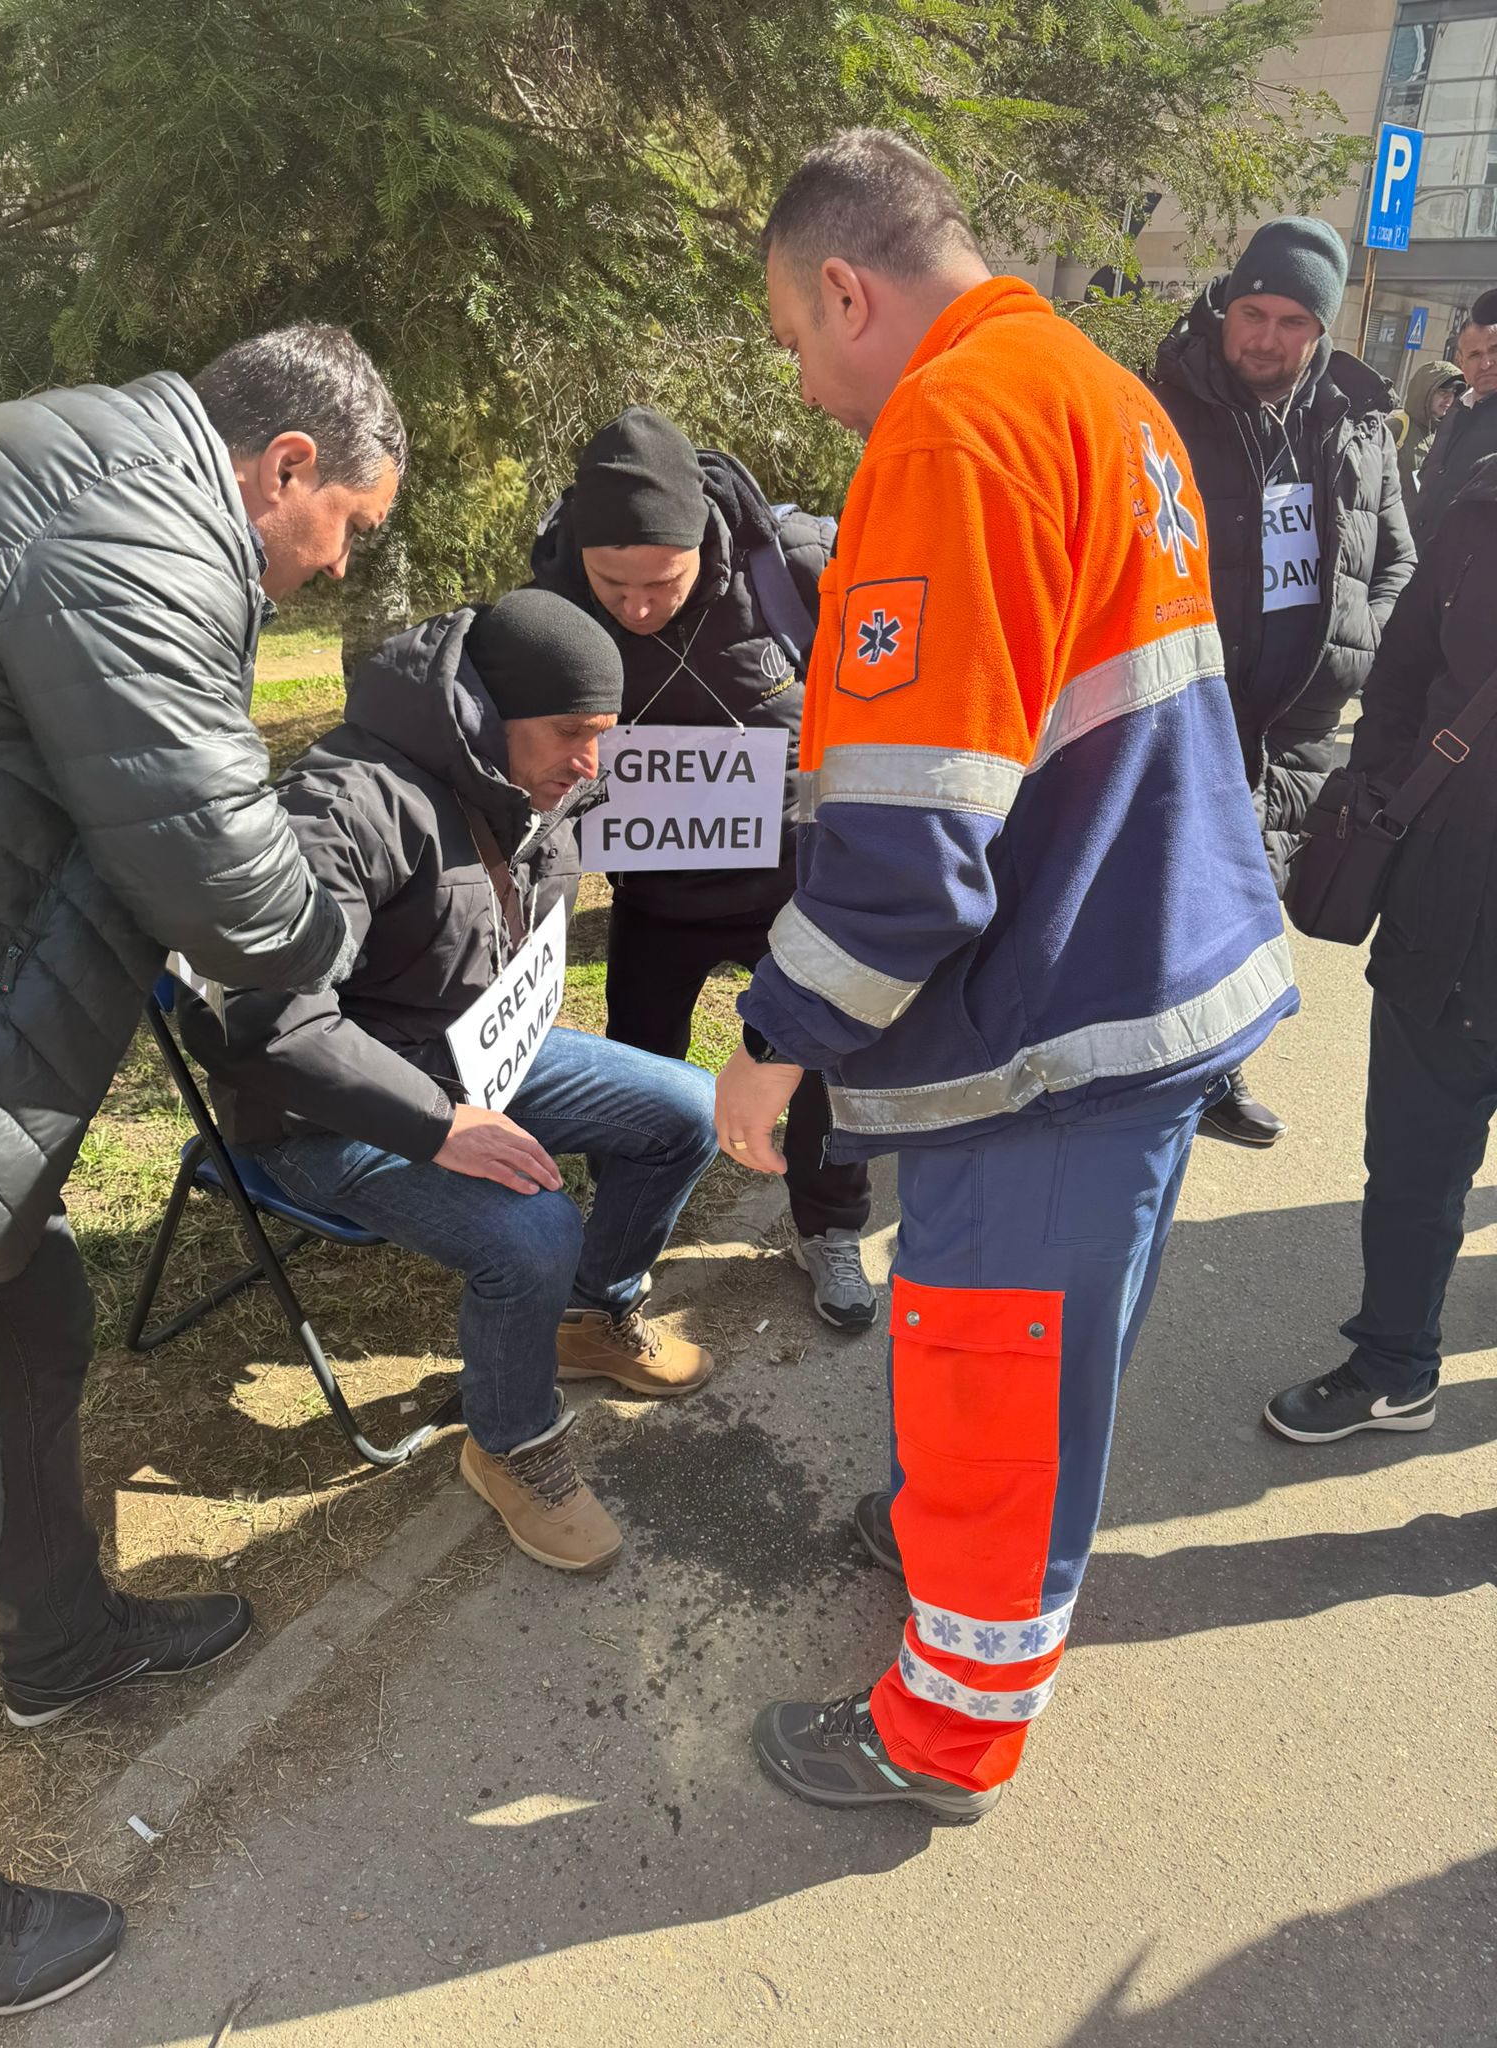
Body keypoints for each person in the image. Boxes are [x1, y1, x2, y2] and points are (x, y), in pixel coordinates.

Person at [716, 131, 1295, 1822]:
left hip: (1052, 1027)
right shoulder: (1095, 391)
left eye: (790, 329)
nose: (797, 369)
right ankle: (948, 1586)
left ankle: (945, 1732)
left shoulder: (950, 429)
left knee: (997, 1384)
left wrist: (772, 1039)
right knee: (1040, 1368)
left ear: (846, 287)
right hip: (1149, 975)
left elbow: (909, 850)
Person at [0, 323, 403, 2013]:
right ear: (284, 467)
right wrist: (331, 896)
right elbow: (233, 884)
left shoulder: (110, 478)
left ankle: (60, 1642)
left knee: (37, 1313)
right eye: (342, 528)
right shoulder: (136, 532)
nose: (329, 567)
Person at [186, 589, 718, 1578]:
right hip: (322, 1111)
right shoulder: (340, 808)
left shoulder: (541, 785)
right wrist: (437, 1125)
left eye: (606, 735)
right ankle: (509, 1442)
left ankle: (588, 1318)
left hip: (480, 1056)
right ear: (489, 711)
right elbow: (271, 1025)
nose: (592, 763)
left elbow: (671, 820)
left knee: (688, 1108)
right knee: (533, 1230)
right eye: (572, 733)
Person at [530, 407, 876, 1329]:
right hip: (653, 900)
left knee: (821, 1065)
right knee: (638, 1077)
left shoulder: (795, 568)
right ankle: (623, 1242)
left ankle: (828, 1226)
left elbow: (881, 703)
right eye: (615, 585)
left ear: (703, 546)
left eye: (663, 583)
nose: (639, 607)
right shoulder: (549, 605)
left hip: (790, 891)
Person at [1151, 218, 1415, 1148]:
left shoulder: (1357, 427)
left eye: (1292, 321)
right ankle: (1141, 1076)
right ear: (1227, 306)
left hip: (1298, 713)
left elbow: (1397, 563)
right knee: (1160, 894)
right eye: (1252, 312)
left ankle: (1218, 1070)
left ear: (1323, 330)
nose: (1264, 337)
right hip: (1187, 704)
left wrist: (1364, 641)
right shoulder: (1163, 407)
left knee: (1251, 899)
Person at [1265, 453, 1497, 1443]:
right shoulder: (1481, 503)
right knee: (1410, 1164)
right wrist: (1386, 800)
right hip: (1443, 913)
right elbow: (1401, 678)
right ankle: (1395, 1362)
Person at [1408, 289, 1497, 546]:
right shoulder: (1456, 412)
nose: (1486, 363)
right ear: (1461, 361)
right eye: (1475, 355)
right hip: (1422, 563)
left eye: (1494, 350)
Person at [1390, 357, 1465, 497]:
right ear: (1425, 392)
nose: (1449, 400)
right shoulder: (1397, 428)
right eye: (1443, 392)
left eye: (1453, 393)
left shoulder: (1446, 432)